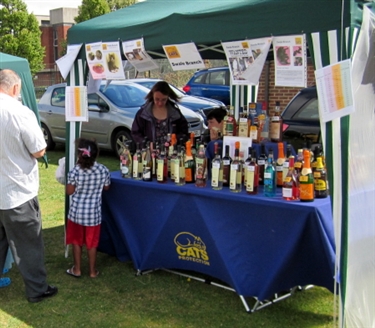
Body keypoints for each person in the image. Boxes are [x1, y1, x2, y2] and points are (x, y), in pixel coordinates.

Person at [0, 69, 58, 302]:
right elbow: (39, 150)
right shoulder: (19, 112)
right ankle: (37, 289)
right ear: (15, 88)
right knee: (28, 244)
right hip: (17, 192)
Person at [66, 138, 111, 278]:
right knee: (92, 243)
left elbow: (70, 191)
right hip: (93, 214)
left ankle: (77, 269)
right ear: (96, 154)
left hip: (76, 214)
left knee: (76, 241)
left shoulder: (74, 171)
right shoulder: (103, 170)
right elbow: (107, 187)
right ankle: (92, 271)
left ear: (79, 155)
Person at [131, 81, 189, 148]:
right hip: (149, 154)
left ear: (168, 97)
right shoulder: (143, 114)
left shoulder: (175, 113)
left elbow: (184, 132)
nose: (160, 103)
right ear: (152, 96)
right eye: (157, 99)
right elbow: (135, 133)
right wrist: (147, 144)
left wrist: (176, 140)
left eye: (163, 100)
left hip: (171, 154)